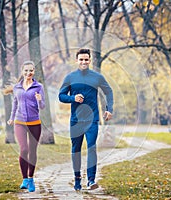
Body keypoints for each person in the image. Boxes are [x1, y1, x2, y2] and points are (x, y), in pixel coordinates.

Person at [58, 48, 113, 191]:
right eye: (81, 59)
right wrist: (72, 98)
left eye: (86, 59)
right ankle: (77, 179)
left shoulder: (97, 77)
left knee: (92, 147)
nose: (83, 62)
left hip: (92, 119)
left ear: (90, 60)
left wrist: (109, 109)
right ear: (76, 60)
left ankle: (91, 180)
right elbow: (61, 96)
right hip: (76, 120)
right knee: (76, 150)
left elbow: (109, 91)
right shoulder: (70, 77)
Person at [5, 61, 45, 192]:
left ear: (34, 72)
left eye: (31, 71)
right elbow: (15, 104)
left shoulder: (38, 86)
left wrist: (39, 99)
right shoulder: (17, 87)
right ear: (22, 72)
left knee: (32, 150)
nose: (28, 73)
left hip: (35, 123)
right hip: (20, 122)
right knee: (23, 149)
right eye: (26, 71)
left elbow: (42, 107)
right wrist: (11, 118)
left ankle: (31, 178)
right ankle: (24, 180)